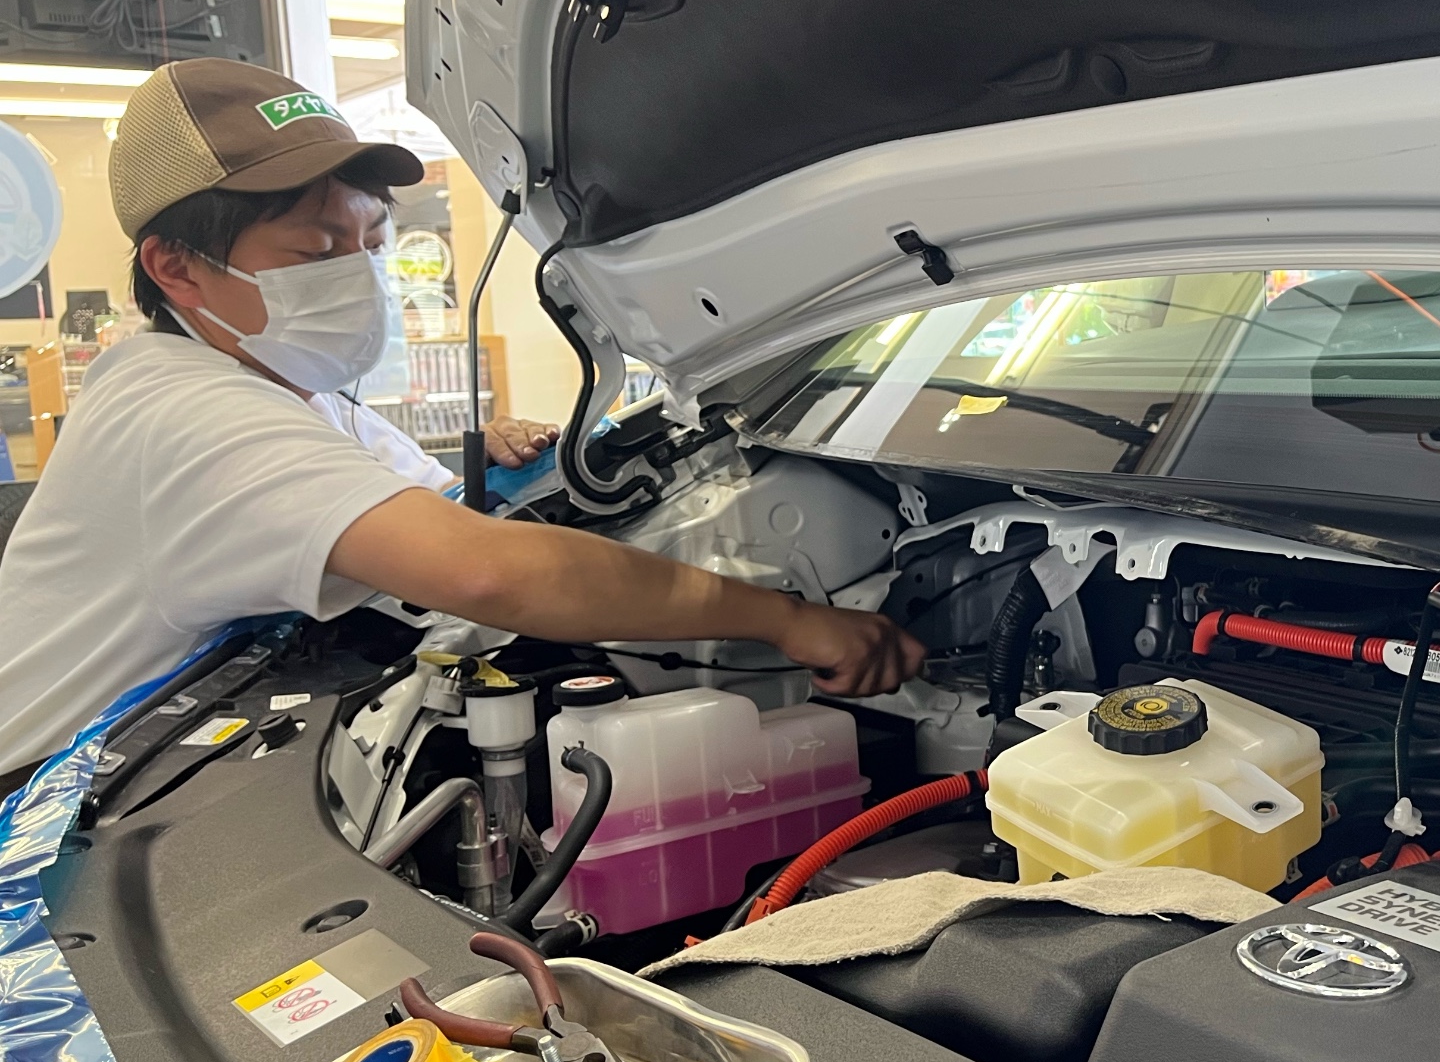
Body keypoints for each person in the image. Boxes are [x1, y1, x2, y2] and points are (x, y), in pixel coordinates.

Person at [0, 60, 921, 785]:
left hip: (168, 772)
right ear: (176, 268)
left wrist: (493, 470)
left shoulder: (297, 394)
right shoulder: (180, 411)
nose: (356, 275)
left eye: (369, 243)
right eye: (315, 251)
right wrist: (784, 620)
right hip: (45, 827)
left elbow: (447, 516)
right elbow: (487, 571)